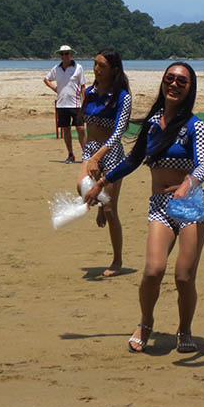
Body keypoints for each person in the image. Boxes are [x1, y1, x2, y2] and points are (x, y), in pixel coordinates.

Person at [84, 62, 204, 353]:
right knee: (153, 271)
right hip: (160, 206)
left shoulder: (195, 125)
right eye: (170, 78)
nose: (175, 84)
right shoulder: (152, 124)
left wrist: (188, 183)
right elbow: (132, 160)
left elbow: (203, 164)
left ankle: (185, 329)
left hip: (190, 205)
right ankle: (146, 321)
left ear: (190, 88)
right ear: (163, 82)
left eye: (182, 81)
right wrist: (101, 183)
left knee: (183, 276)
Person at [78, 49, 132, 277]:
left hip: (111, 153)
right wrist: (88, 154)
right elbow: (84, 125)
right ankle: (99, 203)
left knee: (110, 210)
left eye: (102, 66)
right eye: (95, 64)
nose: (96, 69)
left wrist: (98, 157)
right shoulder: (89, 92)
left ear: (114, 70)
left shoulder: (122, 97)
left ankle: (117, 260)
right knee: (83, 191)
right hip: (91, 150)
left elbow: (118, 132)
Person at [43, 44, 86, 162]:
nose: (64, 56)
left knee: (80, 129)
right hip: (62, 104)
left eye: (66, 54)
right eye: (62, 54)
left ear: (71, 55)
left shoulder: (78, 68)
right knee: (66, 130)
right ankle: (70, 154)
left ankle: (86, 155)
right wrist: (55, 89)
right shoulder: (56, 69)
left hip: (76, 104)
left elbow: (83, 86)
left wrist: (85, 102)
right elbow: (46, 79)